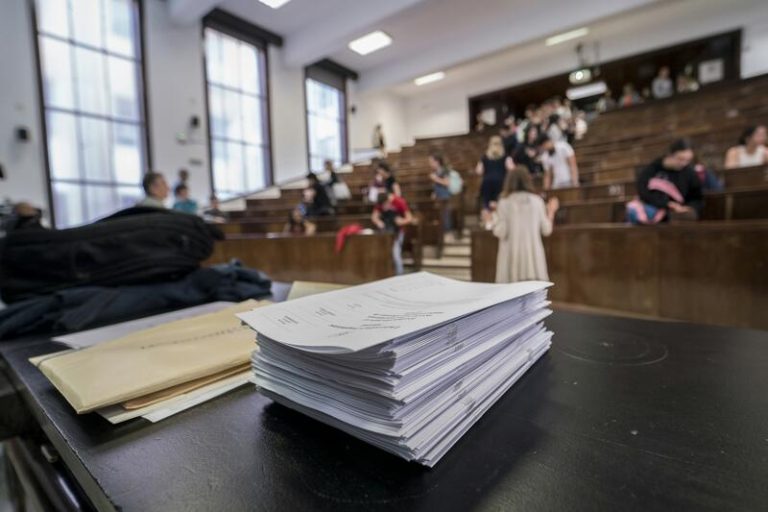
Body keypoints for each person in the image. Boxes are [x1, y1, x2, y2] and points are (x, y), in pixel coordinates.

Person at [492, 166, 559, 282]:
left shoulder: (504, 203)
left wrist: (492, 218)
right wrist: (551, 211)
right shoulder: (537, 201)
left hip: (511, 259)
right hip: (533, 261)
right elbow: (546, 230)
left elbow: (501, 232)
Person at [627, 138, 703, 224]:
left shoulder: (689, 173)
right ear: (670, 154)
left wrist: (689, 208)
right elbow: (643, 191)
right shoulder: (653, 168)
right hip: (653, 207)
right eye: (680, 159)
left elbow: (697, 198)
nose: (683, 163)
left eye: (688, 160)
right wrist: (666, 204)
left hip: (676, 212)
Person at [476, 135, 515, 227]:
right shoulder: (506, 156)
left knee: (487, 204)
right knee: (501, 203)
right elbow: (512, 169)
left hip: (487, 182)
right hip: (501, 182)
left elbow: (478, 171)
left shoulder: (484, 157)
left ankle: (488, 225)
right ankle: (501, 224)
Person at [371, 192, 413, 276]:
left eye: (385, 205)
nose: (383, 208)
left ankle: (399, 275)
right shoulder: (381, 200)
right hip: (385, 232)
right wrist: (379, 222)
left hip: (398, 232)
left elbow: (409, 218)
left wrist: (401, 221)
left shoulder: (399, 202)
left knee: (395, 254)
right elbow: (374, 217)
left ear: (388, 201)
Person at [428, 152, 454, 235]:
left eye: (431, 162)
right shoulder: (435, 171)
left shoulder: (444, 170)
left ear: (437, 161)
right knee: (441, 215)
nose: (430, 164)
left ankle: (447, 232)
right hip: (439, 195)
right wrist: (434, 193)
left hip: (444, 195)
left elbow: (447, 183)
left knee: (445, 215)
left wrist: (436, 178)